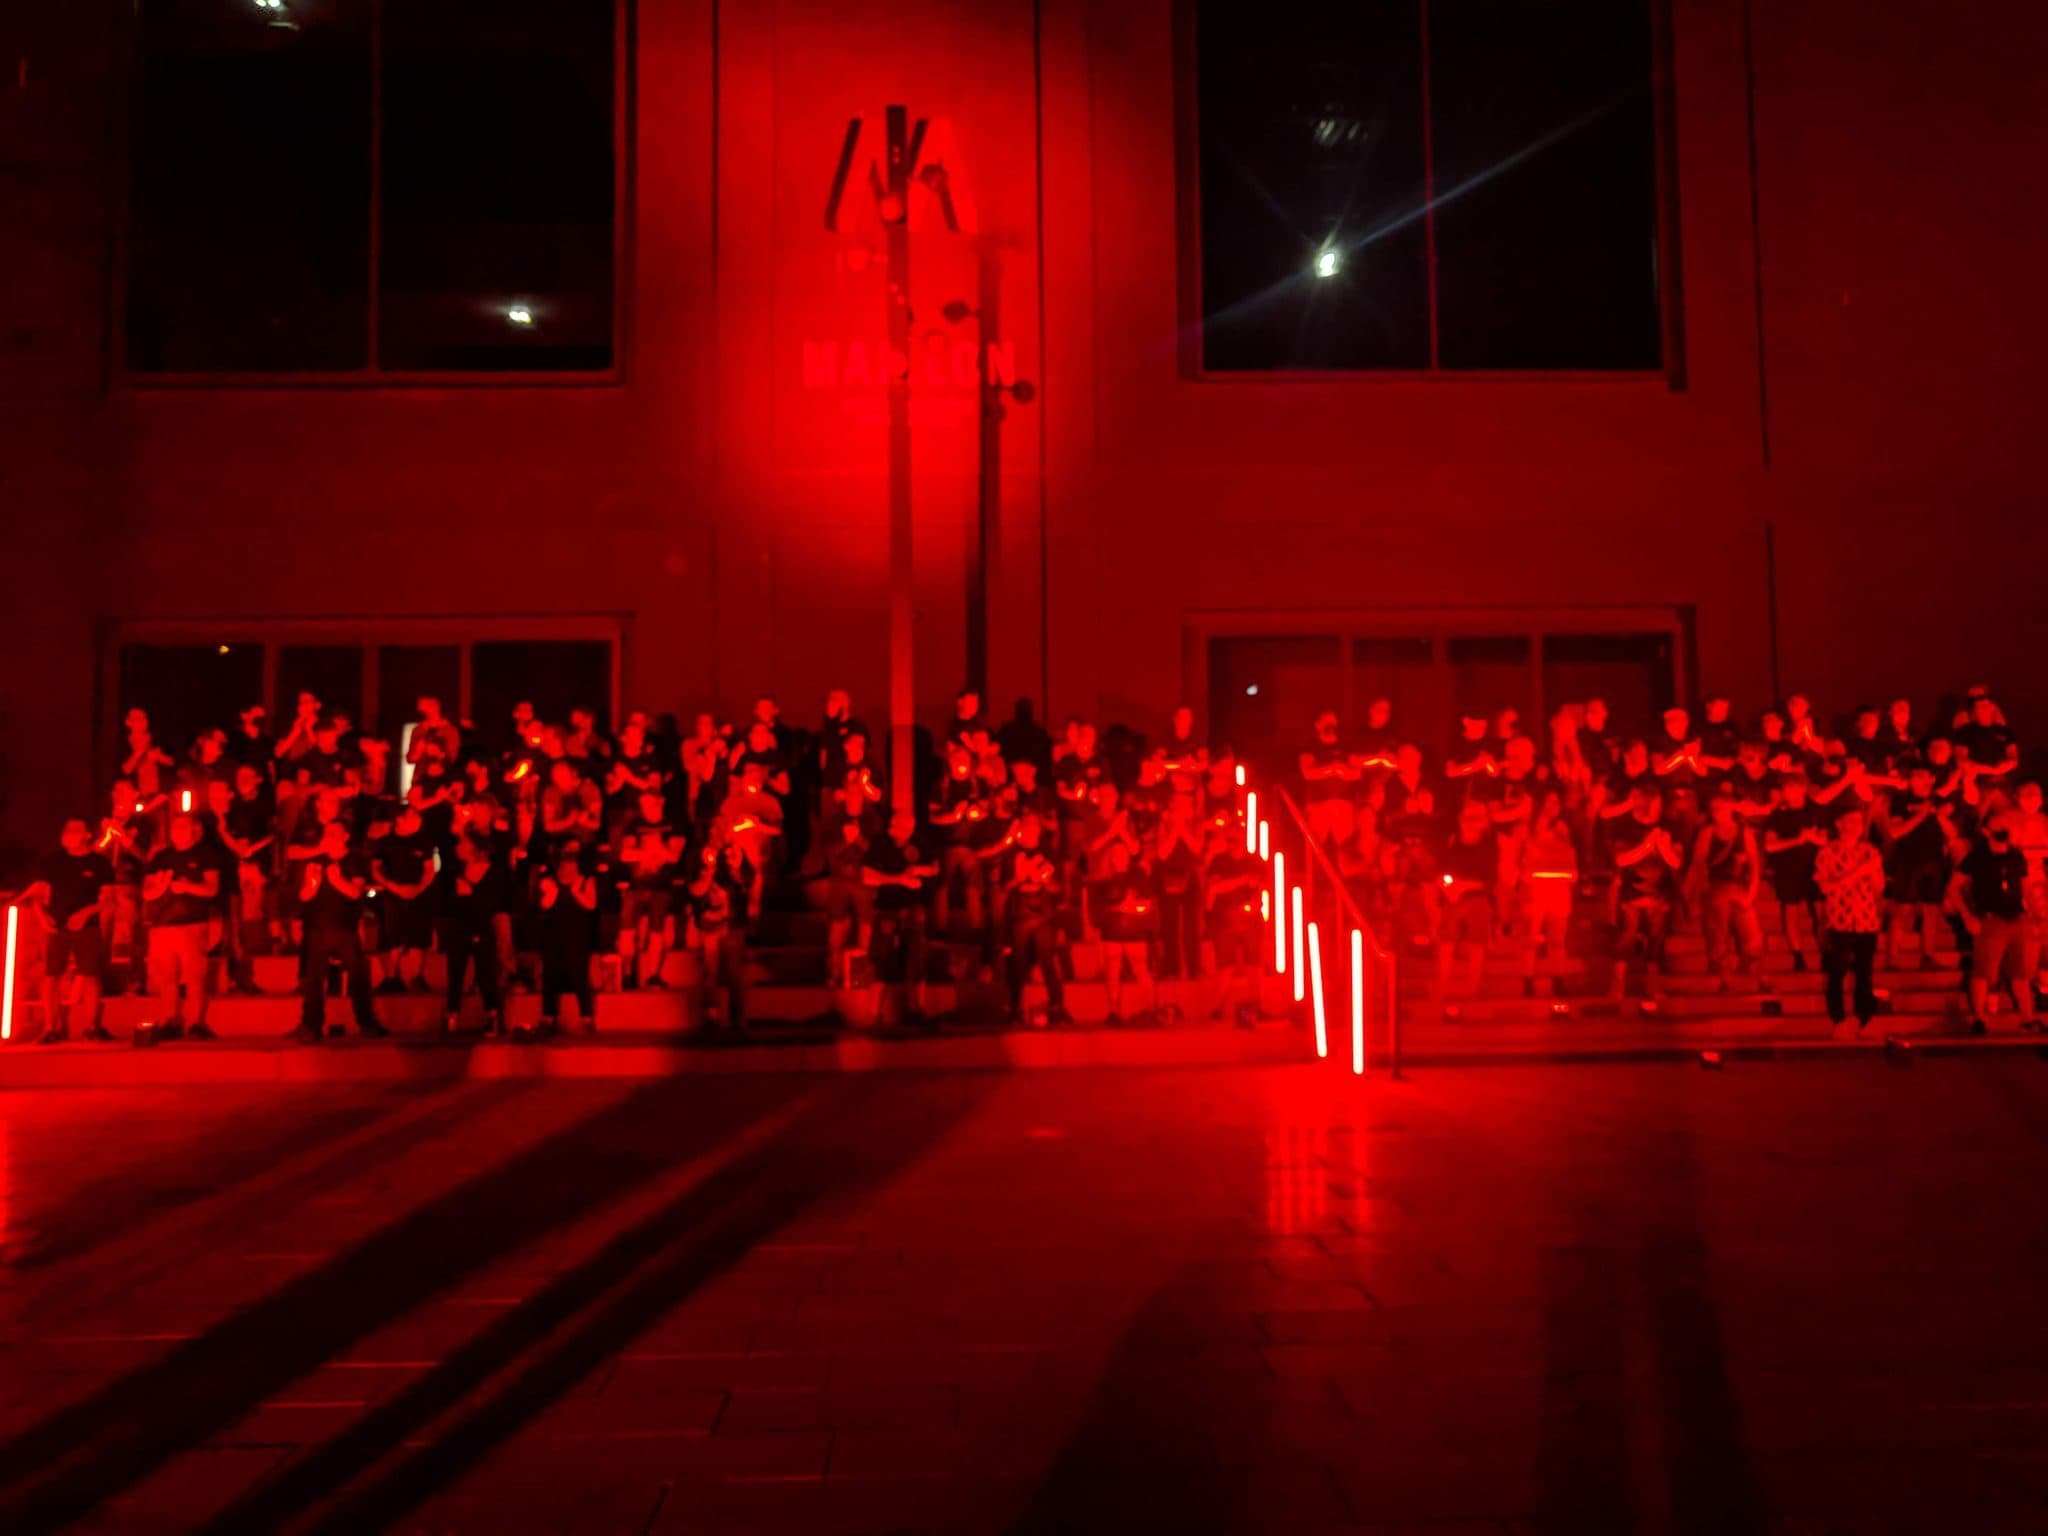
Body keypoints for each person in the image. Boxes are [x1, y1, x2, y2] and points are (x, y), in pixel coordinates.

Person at [23, 818, 115, 1043]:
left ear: (86, 835)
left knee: (91, 975)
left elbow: (108, 899)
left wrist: (85, 914)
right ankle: (50, 1027)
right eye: (66, 831)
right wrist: (42, 917)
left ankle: (92, 1026)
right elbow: (37, 892)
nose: (69, 835)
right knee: (51, 976)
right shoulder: (52, 861)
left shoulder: (100, 864)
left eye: (75, 831)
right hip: (57, 926)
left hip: (88, 927)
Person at [293, 820, 386, 1043]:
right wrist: (313, 884)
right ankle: (311, 1024)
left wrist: (336, 879)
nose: (330, 837)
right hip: (317, 928)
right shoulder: (316, 861)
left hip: (346, 929)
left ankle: (366, 1021)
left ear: (345, 836)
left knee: (358, 976)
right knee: (314, 979)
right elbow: (304, 897)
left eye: (335, 833)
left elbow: (356, 893)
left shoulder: (354, 860)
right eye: (327, 833)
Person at [1950, 819, 2040, 1035]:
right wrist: (1968, 917)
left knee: (2020, 972)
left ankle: (2028, 1018)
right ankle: (1979, 1017)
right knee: (1983, 972)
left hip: (2017, 918)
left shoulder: (2016, 855)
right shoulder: (1977, 857)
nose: (2002, 830)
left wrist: (2036, 915)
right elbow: (1953, 887)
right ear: (1986, 831)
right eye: (1997, 826)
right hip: (1990, 920)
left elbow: (2026, 887)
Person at [141, 813, 221, 1041]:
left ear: (194, 830)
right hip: (162, 925)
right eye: (174, 827)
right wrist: (162, 888)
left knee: (195, 977)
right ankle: (169, 1020)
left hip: (193, 924)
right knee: (168, 977)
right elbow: (147, 892)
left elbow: (212, 889)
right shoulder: (160, 857)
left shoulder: (206, 856)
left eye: (183, 827)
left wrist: (186, 887)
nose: (178, 831)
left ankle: (196, 1022)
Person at [1814, 807, 1886, 1039]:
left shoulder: (1870, 852)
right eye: (1850, 821)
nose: (1856, 826)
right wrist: (1856, 874)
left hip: (1866, 920)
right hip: (1839, 920)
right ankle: (1838, 1018)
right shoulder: (1827, 853)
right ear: (1839, 824)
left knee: (1864, 972)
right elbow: (1825, 887)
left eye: (1859, 822)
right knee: (1837, 971)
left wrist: (1871, 875)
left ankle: (1863, 1018)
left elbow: (1878, 887)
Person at [863, 809, 938, 1025]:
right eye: (903, 827)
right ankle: (874, 1014)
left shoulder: (919, 843)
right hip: (887, 909)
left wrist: (922, 870)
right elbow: (867, 876)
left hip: (914, 909)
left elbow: (934, 867)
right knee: (881, 960)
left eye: (910, 826)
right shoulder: (880, 846)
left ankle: (917, 1009)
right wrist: (899, 879)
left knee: (917, 960)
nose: (907, 831)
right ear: (892, 827)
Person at [993, 809, 1065, 1026]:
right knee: (1017, 962)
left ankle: (1057, 1007)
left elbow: (1058, 888)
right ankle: (1014, 1008)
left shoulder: (1049, 852)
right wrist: (1019, 878)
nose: (1030, 829)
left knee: (1047, 960)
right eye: (1026, 825)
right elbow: (1004, 887)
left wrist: (1043, 880)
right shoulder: (1011, 855)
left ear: (1039, 829)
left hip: (1044, 915)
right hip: (1020, 915)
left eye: (1034, 825)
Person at [440, 809, 509, 1036]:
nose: (459, 847)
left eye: (463, 844)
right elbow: (447, 901)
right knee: (455, 974)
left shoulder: (495, 872)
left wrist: (471, 893)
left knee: (486, 974)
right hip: (458, 928)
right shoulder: (455, 871)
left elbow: (495, 902)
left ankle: (493, 1016)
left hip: (482, 927)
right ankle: (451, 1016)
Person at [1611, 788, 1681, 1001]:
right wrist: (1647, 845)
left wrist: (1663, 847)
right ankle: (1618, 985)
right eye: (1653, 805)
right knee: (1627, 937)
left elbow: (1676, 862)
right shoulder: (1626, 828)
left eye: (1659, 806)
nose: (1656, 810)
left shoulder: (1668, 829)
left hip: (1658, 894)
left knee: (1657, 939)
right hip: (1631, 893)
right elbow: (1621, 860)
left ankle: (1652, 986)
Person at [1690, 795, 1765, 992]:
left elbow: (1755, 864)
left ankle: (1753, 974)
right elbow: (1698, 865)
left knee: (1751, 934)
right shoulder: (1707, 833)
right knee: (1718, 932)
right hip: (1717, 888)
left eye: (1721, 807)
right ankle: (1723, 977)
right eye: (1714, 808)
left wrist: (1752, 892)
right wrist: (1699, 894)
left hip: (1740, 888)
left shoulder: (1744, 832)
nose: (1717, 811)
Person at [1882, 766, 1952, 970]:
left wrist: (1940, 816)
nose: (1918, 780)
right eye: (1914, 775)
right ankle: (1892, 958)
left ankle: (1928, 956)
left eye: (1923, 775)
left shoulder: (1941, 801)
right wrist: (1921, 815)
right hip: (1908, 861)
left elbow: (1952, 834)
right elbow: (1895, 832)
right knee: (1902, 909)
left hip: (1934, 860)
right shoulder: (1900, 802)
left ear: (1932, 778)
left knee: (1931, 910)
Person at [617, 790, 684, 989]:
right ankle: (628, 974)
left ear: (661, 802)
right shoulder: (634, 825)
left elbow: (674, 856)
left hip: (661, 886)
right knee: (627, 931)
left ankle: (654, 975)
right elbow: (625, 854)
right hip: (635, 886)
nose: (649, 808)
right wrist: (655, 850)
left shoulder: (673, 824)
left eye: (653, 803)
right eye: (645, 804)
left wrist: (646, 852)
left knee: (657, 932)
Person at [369, 801, 437, 994]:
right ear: (399, 819)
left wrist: (418, 889)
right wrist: (395, 888)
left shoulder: (423, 841)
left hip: (419, 894)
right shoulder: (385, 842)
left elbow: (429, 870)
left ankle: (417, 977)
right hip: (392, 895)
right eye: (413, 815)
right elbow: (375, 870)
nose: (419, 819)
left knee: (419, 937)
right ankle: (391, 978)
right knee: (392, 936)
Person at [1763, 776, 1827, 970]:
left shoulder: (1815, 811)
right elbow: (1770, 845)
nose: (1789, 791)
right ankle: (1798, 955)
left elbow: (1825, 840)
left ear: (1803, 789)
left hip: (1815, 867)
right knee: (1791, 911)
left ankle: (1826, 952)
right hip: (1788, 868)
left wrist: (1811, 838)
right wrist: (1797, 841)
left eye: (1794, 787)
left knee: (1821, 911)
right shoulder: (1777, 816)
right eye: (1787, 788)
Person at [537, 844, 600, 1035]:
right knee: (550, 975)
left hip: (578, 934)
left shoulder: (586, 881)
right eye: (565, 863)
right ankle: (548, 1017)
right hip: (553, 933)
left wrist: (575, 890)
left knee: (579, 975)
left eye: (573, 863)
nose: (569, 867)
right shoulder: (549, 881)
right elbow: (545, 905)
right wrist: (555, 889)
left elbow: (591, 905)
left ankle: (586, 1017)